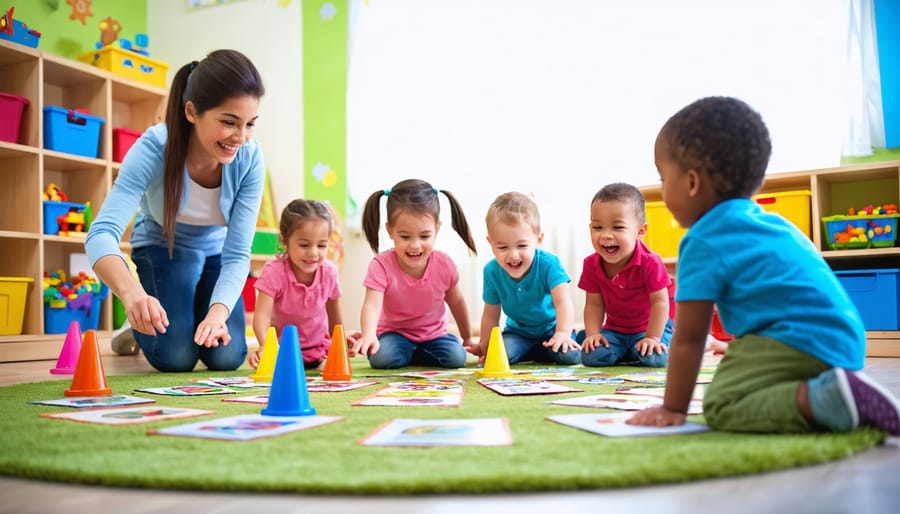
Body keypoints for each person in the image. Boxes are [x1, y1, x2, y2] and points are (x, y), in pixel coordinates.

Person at [628, 96, 900, 436]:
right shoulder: (777, 224)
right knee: (742, 363)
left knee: (722, 403)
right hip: (844, 341)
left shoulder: (702, 239)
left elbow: (689, 337)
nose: (663, 189)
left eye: (662, 177)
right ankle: (834, 387)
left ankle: (824, 399)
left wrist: (672, 408)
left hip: (798, 341)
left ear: (692, 182)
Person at [85, 49, 265, 372]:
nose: (241, 137)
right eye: (228, 122)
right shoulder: (154, 149)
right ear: (192, 112)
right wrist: (133, 294)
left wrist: (218, 314)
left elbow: (238, 255)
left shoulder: (249, 158)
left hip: (215, 254)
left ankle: (188, 312)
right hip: (162, 247)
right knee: (176, 357)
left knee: (226, 355)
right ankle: (137, 322)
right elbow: (99, 235)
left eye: (249, 124)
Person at [350, 179, 477, 369]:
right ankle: (412, 354)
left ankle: (416, 354)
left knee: (457, 358)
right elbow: (372, 305)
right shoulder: (381, 265)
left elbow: (457, 302)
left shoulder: (444, 264)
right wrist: (369, 334)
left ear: (437, 229)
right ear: (390, 231)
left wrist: (467, 337)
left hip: (434, 336)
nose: (415, 245)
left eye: (424, 236)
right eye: (405, 236)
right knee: (381, 358)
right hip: (394, 335)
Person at [467, 192, 581, 365]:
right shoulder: (491, 271)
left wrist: (563, 333)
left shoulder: (549, 264)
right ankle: (535, 352)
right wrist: (485, 343)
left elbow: (563, 302)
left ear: (538, 239)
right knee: (497, 358)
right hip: (518, 334)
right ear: (491, 243)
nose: (513, 255)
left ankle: (547, 348)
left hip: (552, 330)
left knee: (569, 356)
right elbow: (491, 314)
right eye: (503, 247)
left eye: (522, 245)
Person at [248, 199, 357, 370]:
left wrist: (340, 340)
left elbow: (334, 315)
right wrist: (264, 346)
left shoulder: (329, 272)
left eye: (322, 245)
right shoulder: (274, 271)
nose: (313, 253)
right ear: (285, 241)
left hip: (318, 349)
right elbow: (262, 316)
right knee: (274, 371)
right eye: (304, 245)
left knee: (337, 370)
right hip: (281, 350)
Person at [577, 183, 674, 368]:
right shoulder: (591, 264)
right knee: (591, 356)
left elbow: (660, 303)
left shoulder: (650, 262)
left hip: (649, 328)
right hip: (615, 331)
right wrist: (593, 334)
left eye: (618, 227)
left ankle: (667, 340)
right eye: (597, 227)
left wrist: (653, 337)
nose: (605, 235)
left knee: (654, 358)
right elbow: (594, 304)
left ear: (640, 231)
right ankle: (625, 351)